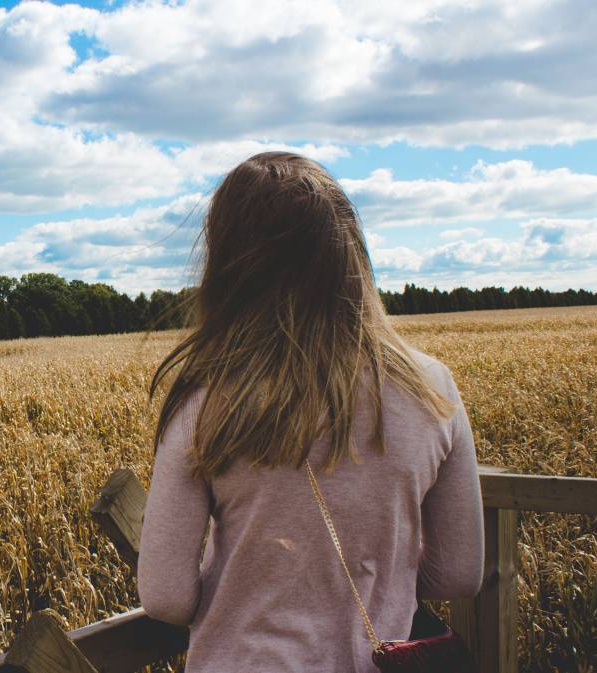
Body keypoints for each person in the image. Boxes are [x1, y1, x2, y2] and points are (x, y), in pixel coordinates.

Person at [138, 152, 484, 673]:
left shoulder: (204, 400)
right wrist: (378, 578)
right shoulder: (431, 386)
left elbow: (166, 596)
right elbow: (459, 573)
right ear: (350, 253)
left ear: (230, 261)